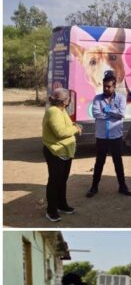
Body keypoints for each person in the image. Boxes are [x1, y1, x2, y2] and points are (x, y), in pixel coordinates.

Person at [87, 71, 131, 198]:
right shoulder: (97, 98)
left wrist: (107, 110)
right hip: (102, 136)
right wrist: (113, 113)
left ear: (114, 86)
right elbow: (96, 114)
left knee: (118, 162)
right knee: (99, 162)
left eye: (108, 86)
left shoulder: (121, 98)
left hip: (115, 136)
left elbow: (121, 114)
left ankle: (122, 186)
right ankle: (94, 187)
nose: (106, 88)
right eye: (104, 86)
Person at [42, 87, 83, 222]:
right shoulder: (53, 111)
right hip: (55, 152)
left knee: (62, 181)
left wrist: (74, 125)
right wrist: (75, 129)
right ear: (64, 100)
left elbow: (67, 125)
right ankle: (51, 211)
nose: (69, 100)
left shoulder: (62, 110)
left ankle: (62, 205)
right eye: (68, 98)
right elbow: (60, 132)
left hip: (64, 152)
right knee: (54, 182)